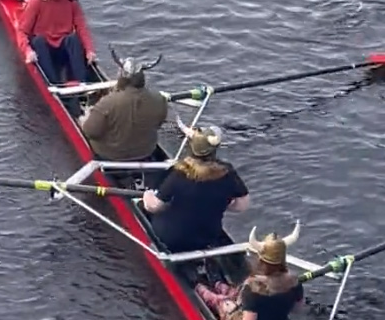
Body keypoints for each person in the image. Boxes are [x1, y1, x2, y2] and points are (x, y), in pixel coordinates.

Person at [142, 118, 250, 253]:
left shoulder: (180, 173)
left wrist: (148, 195)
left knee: (153, 205)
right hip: (208, 238)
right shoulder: (227, 172)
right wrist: (218, 202)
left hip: (172, 238)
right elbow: (242, 205)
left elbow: (155, 207)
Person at [195, 221, 304, 320]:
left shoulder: (254, 288)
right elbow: (297, 309)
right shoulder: (295, 282)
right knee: (233, 292)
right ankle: (220, 286)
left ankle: (199, 287)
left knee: (223, 303)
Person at [18, 0, 95, 85]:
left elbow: (82, 28)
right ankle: (54, 84)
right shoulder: (37, 1)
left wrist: (90, 51)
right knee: (38, 41)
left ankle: (82, 83)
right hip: (44, 51)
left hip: (62, 50)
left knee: (73, 39)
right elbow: (22, 32)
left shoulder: (72, 2)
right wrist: (28, 51)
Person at [81, 48, 167, 161]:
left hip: (111, 155)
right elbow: (158, 124)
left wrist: (85, 117)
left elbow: (90, 132)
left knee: (83, 120)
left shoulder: (108, 102)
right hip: (146, 152)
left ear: (122, 76)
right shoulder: (159, 99)